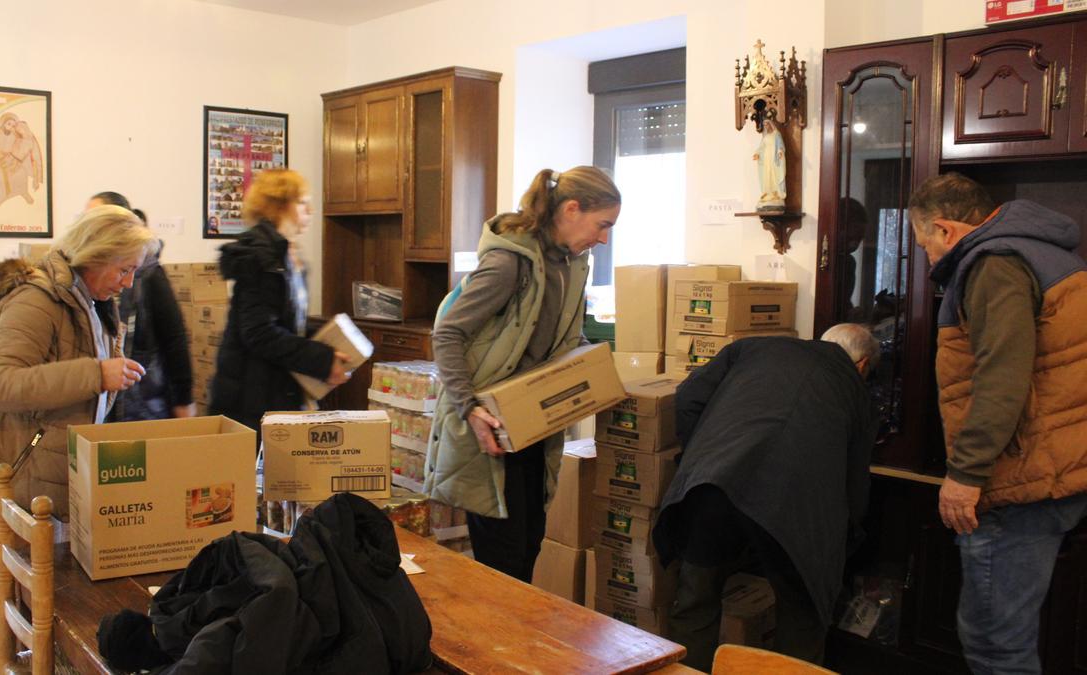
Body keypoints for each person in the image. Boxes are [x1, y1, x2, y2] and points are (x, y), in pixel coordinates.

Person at [907, 172, 1087, 675]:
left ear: (945, 230)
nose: (928, 259)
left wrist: (965, 475)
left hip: (1018, 480)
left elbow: (1001, 377)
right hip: (1058, 468)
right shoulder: (1047, 253)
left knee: (995, 643)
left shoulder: (994, 264)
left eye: (924, 245)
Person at [425, 166, 621, 582]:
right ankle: (491, 645)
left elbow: (563, 336)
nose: (604, 238)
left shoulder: (572, 265)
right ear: (571, 209)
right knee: (503, 563)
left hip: (532, 424)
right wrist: (469, 408)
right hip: (489, 427)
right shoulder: (509, 263)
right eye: (602, 224)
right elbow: (447, 333)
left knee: (528, 546)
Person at [652, 326, 879, 669]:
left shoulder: (754, 347)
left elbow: (688, 398)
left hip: (715, 483)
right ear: (862, 366)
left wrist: (701, 456)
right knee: (801, 613)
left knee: (697, 600)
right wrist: (847, 537)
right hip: (796, 508)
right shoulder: (855, 391)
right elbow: (855, 483)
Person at [0, 205, 155, 542]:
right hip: (5, 468)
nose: (127, 283)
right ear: (94, 256)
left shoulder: (92, 304)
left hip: (36, 473)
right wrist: (96, 374)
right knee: (30, 587)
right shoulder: (36, 300)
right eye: (123, 270)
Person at [209, 169, 350, 438]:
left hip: (271, 389)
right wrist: (320, 358)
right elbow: (259, 333)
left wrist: (328, 349)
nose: (310, 209)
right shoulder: (261, 255)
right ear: (279, 205)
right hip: (250, 394)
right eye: (301, 202)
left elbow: (286, 324)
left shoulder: (287, 255)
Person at [85, 192, 194, 421]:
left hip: (143, 406)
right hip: (98, 406)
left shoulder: (149, 273)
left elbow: (174, 338)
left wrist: (183, 400)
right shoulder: (84, 279)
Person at [0, 112, 44, 222]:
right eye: (9, 123)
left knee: (21, 174)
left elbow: (21, 147)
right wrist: (1, 160)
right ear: (3, 123)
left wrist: (15, 158)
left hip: (11, 162)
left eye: (13, 125)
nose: (11, 126)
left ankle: (23, 192)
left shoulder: (15, 134)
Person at [752, 118, 786, 211]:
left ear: (771, 124)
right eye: (765, 125)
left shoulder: (776, 134)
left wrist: (780, 151)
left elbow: (780, 145)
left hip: (774, 158)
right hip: (767, 158)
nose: (766, 127)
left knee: (774, 175)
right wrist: (757, 153)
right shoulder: (765, 137)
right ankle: (768, 193)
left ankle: (776, 193)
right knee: (767, 176)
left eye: (767, 124)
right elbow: (761, 147)